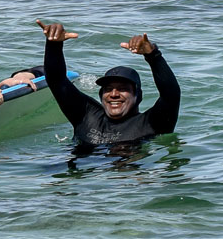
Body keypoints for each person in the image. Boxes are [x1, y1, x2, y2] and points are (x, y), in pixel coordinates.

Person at [36, 21, 180, 146]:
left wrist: (153, 56)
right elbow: (56, 81)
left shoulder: (151, 123)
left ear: (138, 96)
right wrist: (54, 44)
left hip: (124, 174)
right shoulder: (86, 115)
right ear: (101, 95)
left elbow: (171, 95)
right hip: (81, 173)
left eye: (123, 89)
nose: (114, 94)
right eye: (108, 89)